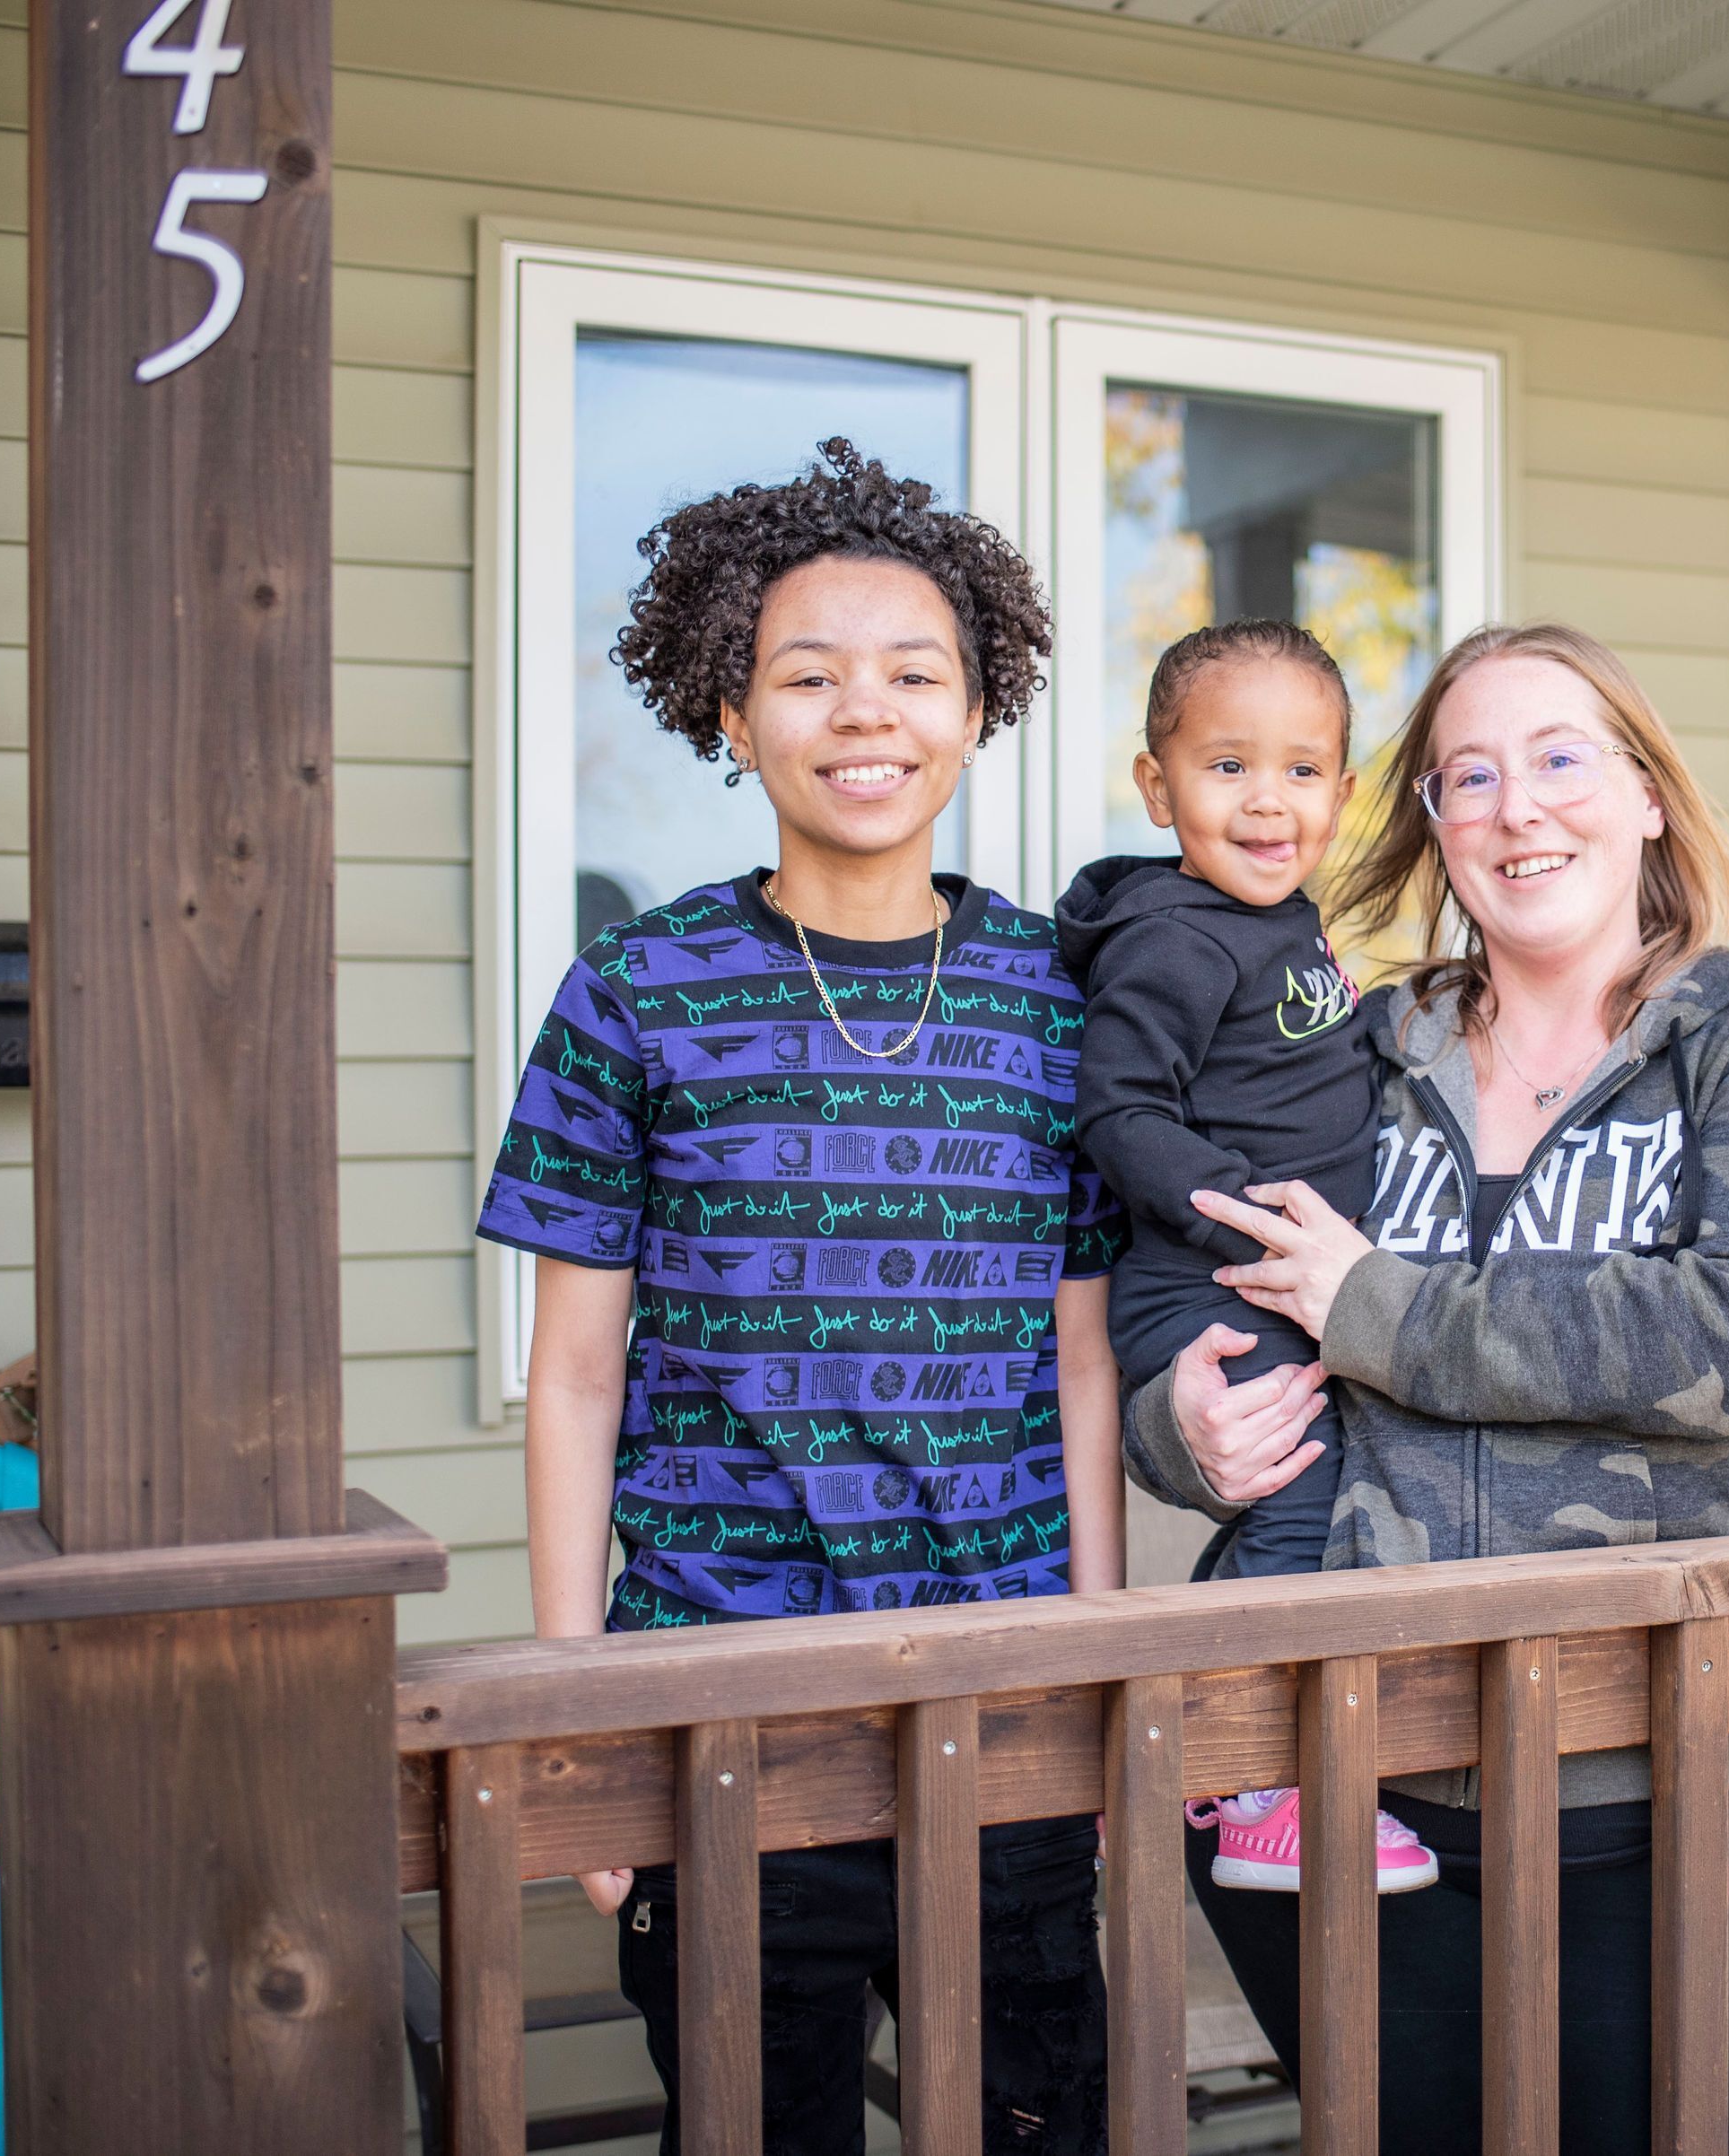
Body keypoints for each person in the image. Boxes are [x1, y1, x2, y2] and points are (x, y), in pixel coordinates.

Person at [1118, 620, 1729, 2155]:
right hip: (1336, 1783)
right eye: (1468, 777)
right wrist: (1183, 1427)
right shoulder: (1352, 1037)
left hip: (1647, 1786)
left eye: (1557, 759)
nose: (1516, 807)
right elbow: (1199, 1274)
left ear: (1649, 793)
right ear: (1431, 828)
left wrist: (1385, 1311)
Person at [476, 440, 1125, 2156]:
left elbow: (1080, 1364)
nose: (867, 712)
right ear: (733, 714)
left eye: (917, 673)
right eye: (809, 674)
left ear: (979, 711)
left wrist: (1107, 1668)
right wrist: (575, 1710)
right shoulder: (637, 985)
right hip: (717, 1718)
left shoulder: (1053, 998)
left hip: (1007, 1713)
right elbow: (574, 1381)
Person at [1054, 618, 1438, 1896]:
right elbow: (1121, 1113)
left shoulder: (1274, 916)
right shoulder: (1177, 936)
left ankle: (1203, 1736)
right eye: (1227, 768)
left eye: (1304, 769)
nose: (1269, 801)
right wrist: (1244, 1219)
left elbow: (1298, 1059)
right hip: (1213, 1281)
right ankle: (1267, 1789)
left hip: (1269, 1270)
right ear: (1157, 786)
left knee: (1309, 1502)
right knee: (1311, 1486)